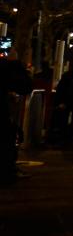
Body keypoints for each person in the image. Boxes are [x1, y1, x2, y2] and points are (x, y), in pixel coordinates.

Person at [1, 53, 31, 185]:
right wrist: (16, 64)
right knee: (6, 141)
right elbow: (24, 86)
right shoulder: (6, 67)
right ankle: (6, 173)